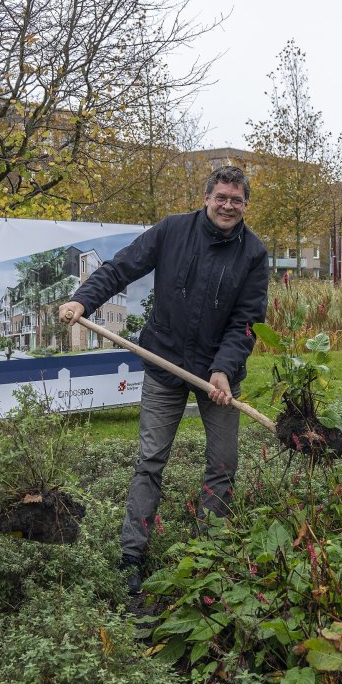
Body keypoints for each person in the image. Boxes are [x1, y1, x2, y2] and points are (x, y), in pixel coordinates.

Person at [59, 165, 268, 594]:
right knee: (151, 460)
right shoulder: (172, 230)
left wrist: (224, 369)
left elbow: (247, 320)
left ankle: (210, 552)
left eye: (237, 200)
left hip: (218, 376)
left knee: (223, 463)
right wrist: (83, 300)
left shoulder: (253, 254)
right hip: (165, 361)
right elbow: (121, 268)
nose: (228, 205)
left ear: (245, 205)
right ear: (207, 197)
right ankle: (131, 554)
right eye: (221, 197)